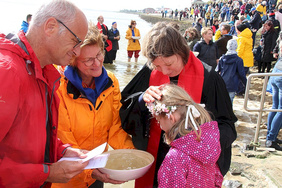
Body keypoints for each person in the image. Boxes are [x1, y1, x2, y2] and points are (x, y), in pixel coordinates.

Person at [120, 22, 237, 188]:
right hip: (156, 159)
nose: (164, 72)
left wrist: (199, 144)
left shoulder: (209, 78)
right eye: (157, 66)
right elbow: (123, 106)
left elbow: (227, 126)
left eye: (168, 64)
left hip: (191, 166)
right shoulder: (150, 71)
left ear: (182, 53)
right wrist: (141, 98)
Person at [0, 0, 89, 187]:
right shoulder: (8, 72)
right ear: (50, 26)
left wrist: (62, 151)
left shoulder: (41, 70)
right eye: (76, 41)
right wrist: (45, 173)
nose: (78, 51)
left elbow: (29, 137)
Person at [51, 22, 135, 188]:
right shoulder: (58, 86)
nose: (97, 63)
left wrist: (131, 153)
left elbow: (115, 126)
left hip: (97, 171)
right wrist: (89, 170)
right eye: (88, 60)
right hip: (67, 176)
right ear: (72, 59)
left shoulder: (111, 81)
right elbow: (63, 136)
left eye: (99, 55)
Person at [146, 84, 223, 187]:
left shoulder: (175, 157)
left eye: (159, 121)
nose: (160, 126)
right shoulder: (209, 144)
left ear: (171, 118)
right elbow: (217, 178)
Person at [216, 39, 247, 104]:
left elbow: (216, 70)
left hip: (223, 81)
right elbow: (241, 74)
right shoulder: (238, 60)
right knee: (230, 100)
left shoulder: (222, 58)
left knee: (222, 100)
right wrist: (246, 83)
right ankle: (228, 113)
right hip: (233, 83)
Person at [266, 41, 282, 151]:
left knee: (275, 106)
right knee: (280, 109)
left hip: (276, 73)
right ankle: (271, 138)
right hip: (280, 76)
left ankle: (270, 136)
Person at [236, 23, 254, 96]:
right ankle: (244, 89)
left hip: (243, 59)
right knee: (243, 76)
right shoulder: (249, 37)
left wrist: (236, 58)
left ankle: (241, 90)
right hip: (248, 58)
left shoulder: (242, 38)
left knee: (239, 76)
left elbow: (240, 50)